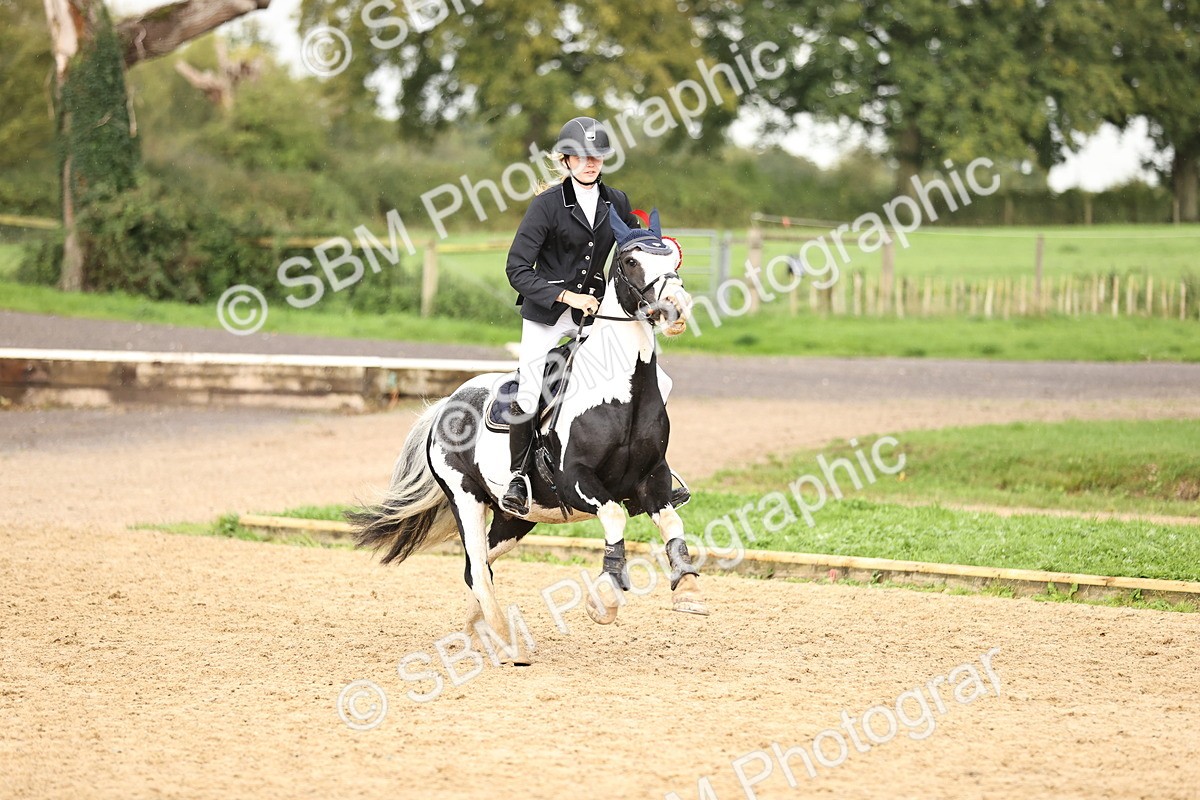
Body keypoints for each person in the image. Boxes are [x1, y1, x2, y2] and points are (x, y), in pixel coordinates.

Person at [500, 116, 686, 516]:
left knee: (659, 379)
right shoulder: (546, 206)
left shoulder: (615, 201)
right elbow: (516, 269)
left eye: (597, 156)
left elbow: (639, 249)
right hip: (547, 314)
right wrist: (565, 295)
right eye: (582, 157)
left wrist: (667, 287)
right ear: (566, 160)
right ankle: (518, 476)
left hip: (597, 312)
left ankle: (650, 468)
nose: (591, 163)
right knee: (532, 389)